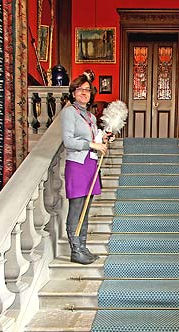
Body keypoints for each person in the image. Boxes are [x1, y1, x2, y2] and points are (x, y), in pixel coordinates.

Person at [60, 70, 108, 264]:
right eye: (80, 89)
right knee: (76, 207)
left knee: (86, 208)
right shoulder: (69, 112)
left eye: (87, 90)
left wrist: (102, 139)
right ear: (73, 92)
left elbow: (94, 138)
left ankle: (83, 247)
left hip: (91, 164)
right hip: (77, 165)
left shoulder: (90, 116)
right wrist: (91, 144)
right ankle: (75, 250)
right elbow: (68, 141)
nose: (84, 92)